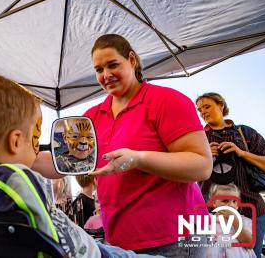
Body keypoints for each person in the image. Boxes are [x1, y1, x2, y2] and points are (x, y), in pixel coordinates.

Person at [0, 74, 159, 258]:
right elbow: (61, 244)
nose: (36, 150)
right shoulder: (17, 180)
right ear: (16, 141)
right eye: (34, 140)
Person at [82, 33, 213, 256]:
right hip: (119, 240)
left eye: (113, 65)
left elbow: (202, 165)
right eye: (99, 69)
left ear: (132, 60)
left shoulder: (166, 100)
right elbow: (64, 159)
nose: (106, 75)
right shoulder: (91, 117)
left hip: (176, 239)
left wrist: (139, 159)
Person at [196, 92, 265, 258]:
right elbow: (187, 174)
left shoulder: (245, 133)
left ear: (221, 105)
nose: (203, 112)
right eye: (199, 110)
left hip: (252, 208)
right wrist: (207, 157)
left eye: (207, 106)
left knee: (251, 254)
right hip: (213, 213)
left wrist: (241, 153)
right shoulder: (198, 137)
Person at [207, 183, 256, 258]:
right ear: (213, 203)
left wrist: (235, 221)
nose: (231, 205)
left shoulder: (244, 221)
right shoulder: (208, 221)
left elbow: (250, 245)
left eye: (234, 201)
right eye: (225, 201)